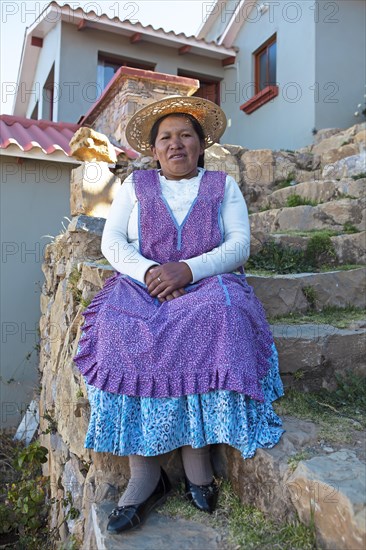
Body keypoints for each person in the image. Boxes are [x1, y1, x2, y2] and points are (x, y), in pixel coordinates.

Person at [73, 95, 284, 534]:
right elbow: (113, 244)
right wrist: (151, 272)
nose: (176, 144)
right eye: (166, 137)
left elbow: (238, 245)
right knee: (118, 327)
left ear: (200, 144)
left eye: (186, 135)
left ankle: (197, 457)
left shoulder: (222, 186)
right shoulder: (135, 187)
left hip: (206, 282)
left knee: (221, 314)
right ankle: (146, 476)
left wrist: (187, 268)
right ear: (153, 150)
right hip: (142, 284)